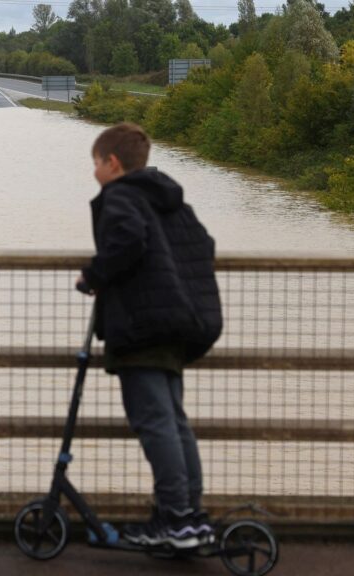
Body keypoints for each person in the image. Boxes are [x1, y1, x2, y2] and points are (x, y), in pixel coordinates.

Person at [77, 123, 223, 549]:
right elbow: (204, 244)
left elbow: (127, 240)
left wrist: (94, 275)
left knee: (156, 422)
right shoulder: (167, 198)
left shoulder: (121, 195)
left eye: (96, 164)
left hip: (142, 326)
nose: (94, 172)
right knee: (174, 422)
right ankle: (188, 516)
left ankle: (176, 519)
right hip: (177, 322)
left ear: (113, 163)